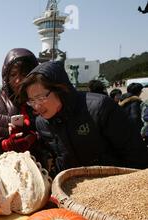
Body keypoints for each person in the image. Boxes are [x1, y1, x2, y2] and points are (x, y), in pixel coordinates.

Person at [18, 61, 148, 175]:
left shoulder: (99, 108)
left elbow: (137, 156)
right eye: (31, 101)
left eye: (41, 98)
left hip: (116, 187)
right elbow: (58, 162)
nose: (36, 106)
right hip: (75, 193)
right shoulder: (42, 124)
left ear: (60, 89)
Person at [0, 48, 40, 157]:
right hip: (2, 170)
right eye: (13, 74)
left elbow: (55, 140)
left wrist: (35, 137)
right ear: (6, 77)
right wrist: (4, 144)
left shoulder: (42, 102)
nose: (18, 80)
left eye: (24, 74)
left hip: (36, 169)